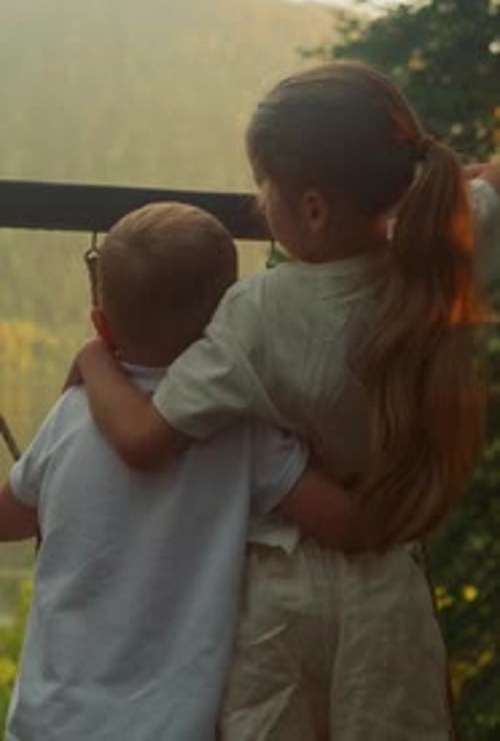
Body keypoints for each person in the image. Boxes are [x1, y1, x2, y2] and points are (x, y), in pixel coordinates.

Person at [75, 62, 500, 740]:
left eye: (263, 184)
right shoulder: (442, 256)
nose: (257, 203)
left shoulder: (256, 313)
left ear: (312, 209)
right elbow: (490, 183)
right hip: (390, 587)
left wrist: (94, 361)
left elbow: (144, 440)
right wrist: (442, 184)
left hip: (280, 593)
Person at [0, 202, 363, 741]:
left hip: (49, 722)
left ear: (101, 323)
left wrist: (91, 361)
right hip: (172, 726)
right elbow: (346, 523)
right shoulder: (242, 429)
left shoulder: (73, 415)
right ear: (228, 326)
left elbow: (8, 518)